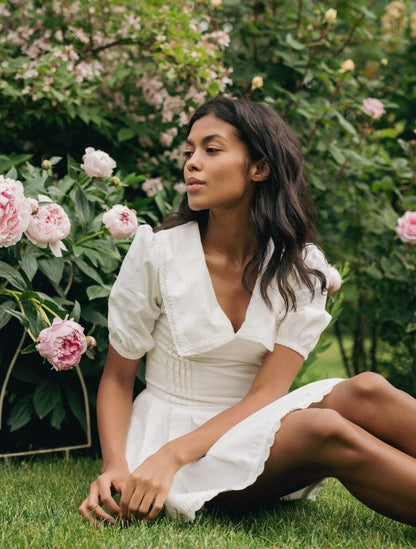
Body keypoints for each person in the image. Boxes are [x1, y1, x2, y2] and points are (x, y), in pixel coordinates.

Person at [79, 95, 416, 526]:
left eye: (211, 149)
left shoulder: (300, 265)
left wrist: (174, 454)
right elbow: (118, 376)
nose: (191, 164)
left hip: (254, 423)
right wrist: (117, 467)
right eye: (189, 151)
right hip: (169, 441)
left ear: (259, 167)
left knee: (366, 388)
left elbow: (266, 396)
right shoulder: (158, 253)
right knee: (323, 429)